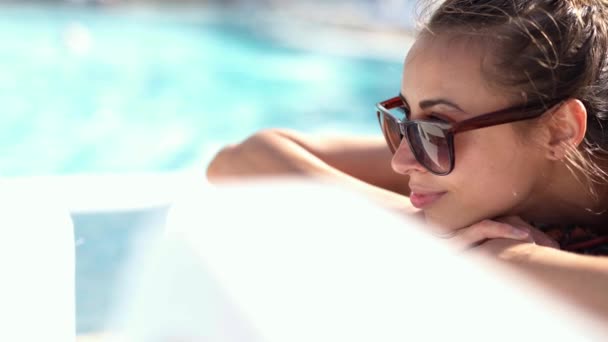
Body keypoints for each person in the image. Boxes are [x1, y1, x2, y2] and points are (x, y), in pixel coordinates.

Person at [207, 0, 608, 321]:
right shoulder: (470, 164)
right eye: (403, 121)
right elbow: (240, 162)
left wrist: (508, 257)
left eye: (436, 126)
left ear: (559, 131)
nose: (402, 161)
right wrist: (417, 224)